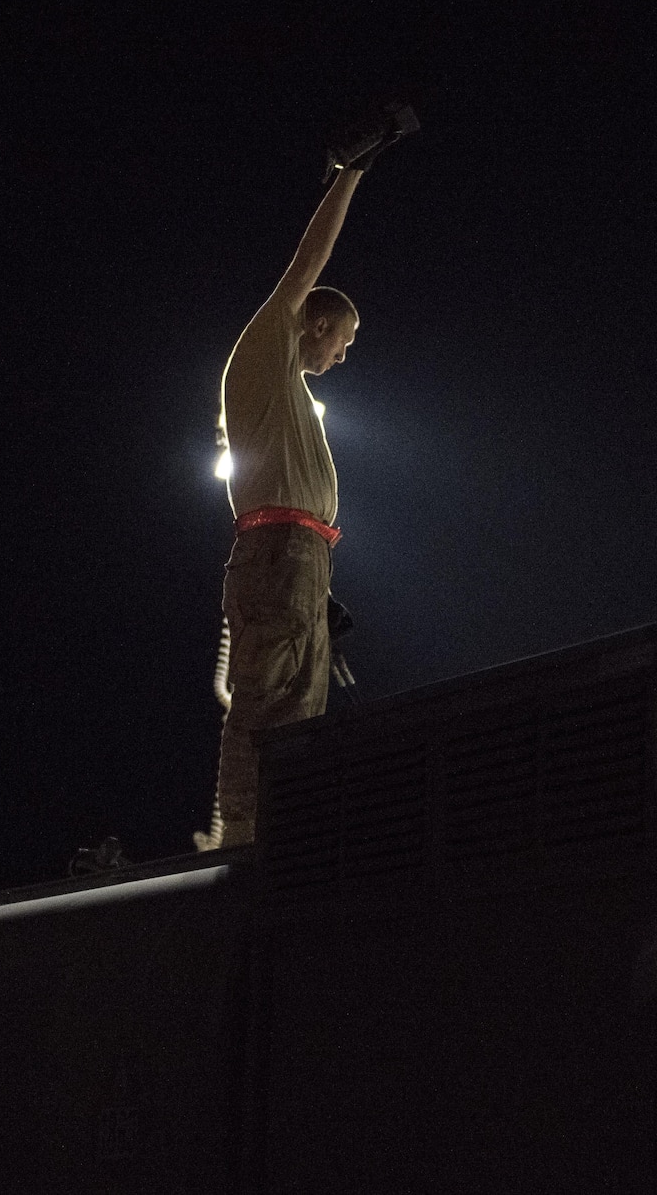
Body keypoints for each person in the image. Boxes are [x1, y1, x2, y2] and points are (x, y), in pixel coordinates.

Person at [195, 155, 372, 850]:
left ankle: (278, 846)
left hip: (298, 562)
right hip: (277, 556)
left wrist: (314, 578)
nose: (344, 355)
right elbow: (308, 261)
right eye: (345, 340)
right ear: (318, 323)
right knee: (266, 708)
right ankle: (242, 843)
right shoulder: (267, 343)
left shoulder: (295, 398)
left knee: (300, 719)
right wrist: (351, 172)